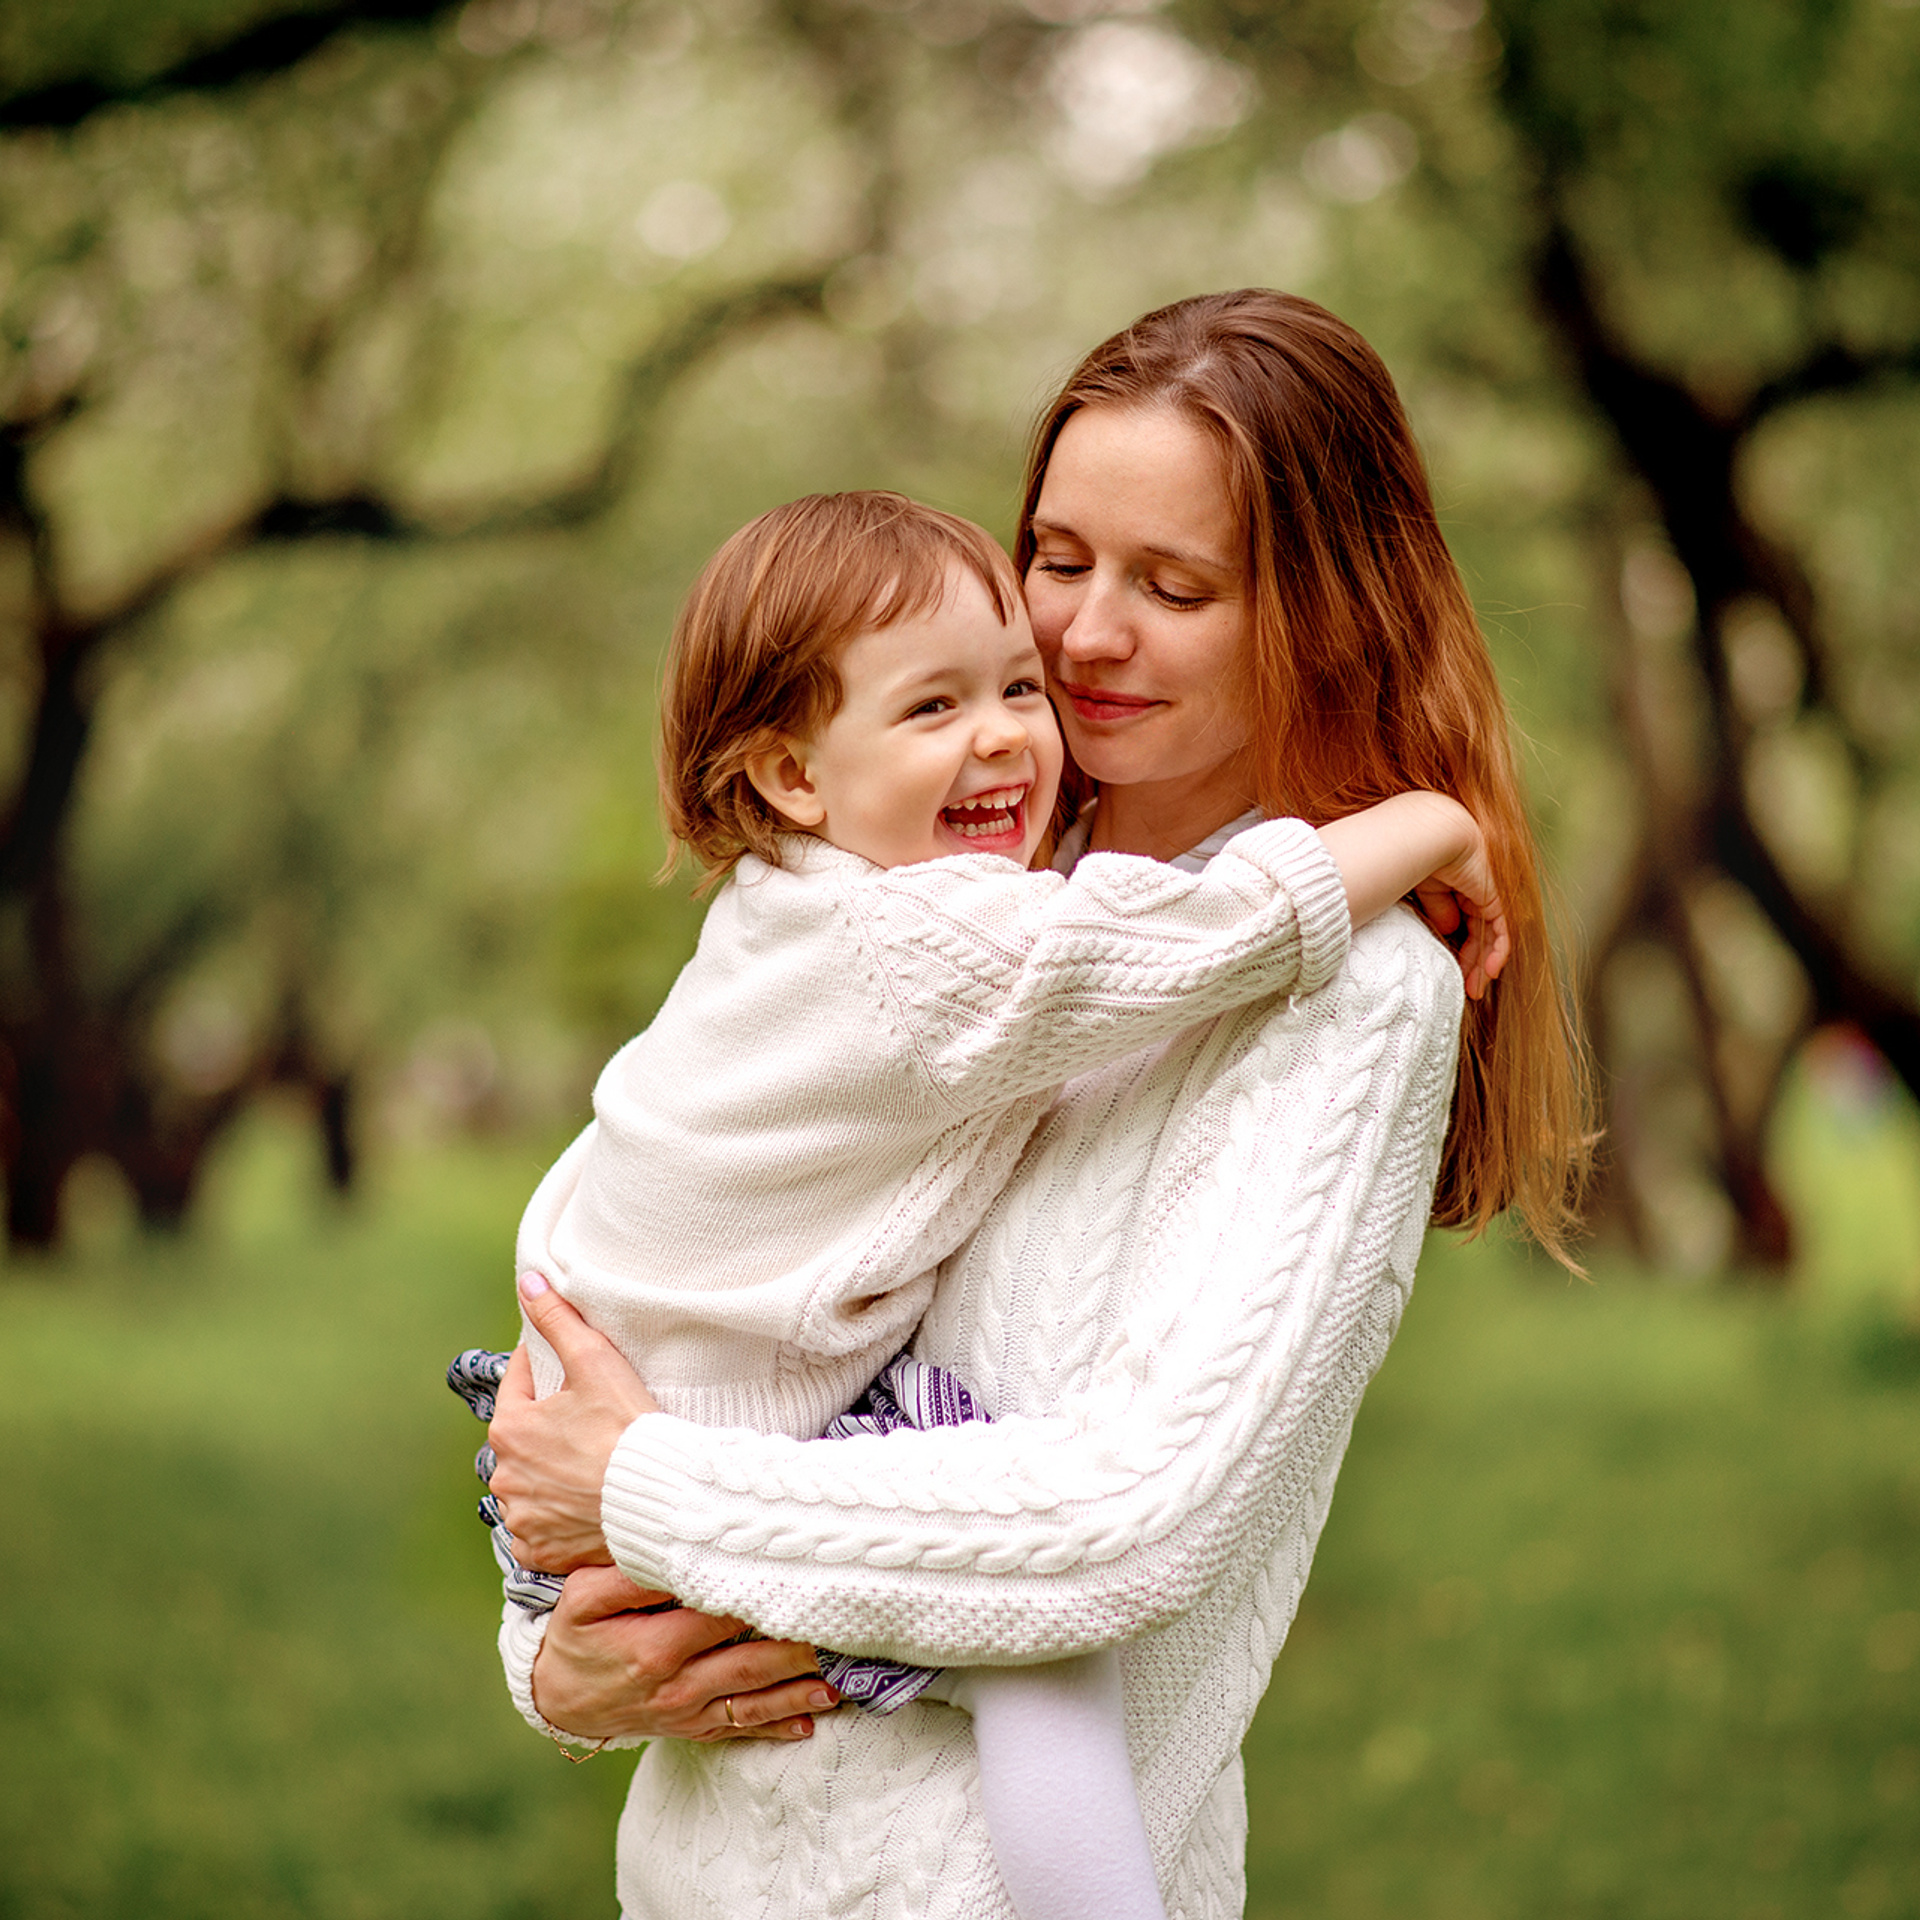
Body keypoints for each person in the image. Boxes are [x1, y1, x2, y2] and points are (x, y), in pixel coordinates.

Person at [482, 289, 1590, 1920]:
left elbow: (1119, 1529)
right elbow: (629, 1288)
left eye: (1175, 586)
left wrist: (641, 1492)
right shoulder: (954, 894)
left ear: (1323, 613)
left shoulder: (1354, 992)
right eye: (1059, 560)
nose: (1083, 637)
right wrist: (559, 1663)